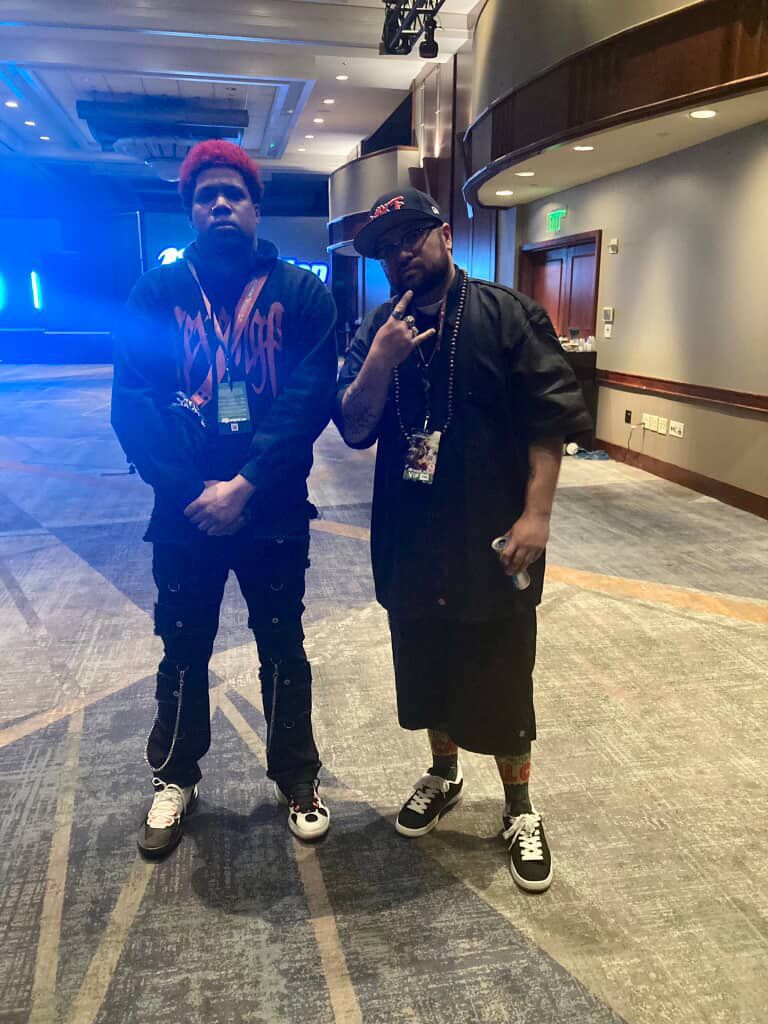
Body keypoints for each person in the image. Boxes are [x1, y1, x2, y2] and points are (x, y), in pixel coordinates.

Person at [336, 189, 592, 892]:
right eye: (386, 249)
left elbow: (549, 422)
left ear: (445, 235)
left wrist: (537, 516)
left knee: (503, 673)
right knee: (427, 665)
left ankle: (520, 806)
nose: (400, 254)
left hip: (492, 535)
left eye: (411, 237)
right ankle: (443, 774)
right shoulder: (378, 327)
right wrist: (381, 359)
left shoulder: (508, 315)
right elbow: (352, 427)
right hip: (410, 533)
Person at [111, 140, 337, 858]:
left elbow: (308, 399)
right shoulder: (156, 294)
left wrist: (245, 485)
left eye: (233, 194)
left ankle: (297, 777)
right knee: (182, 647)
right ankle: (175, 778)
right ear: (191, 211)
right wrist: (193, 491)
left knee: (283, 645)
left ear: (255, 207)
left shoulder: (301, 293)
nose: (220, 206)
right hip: (184, 515)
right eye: (206, 196)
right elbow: (132, 404)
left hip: (273, 508)